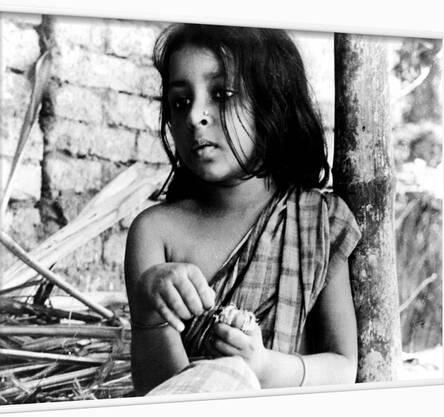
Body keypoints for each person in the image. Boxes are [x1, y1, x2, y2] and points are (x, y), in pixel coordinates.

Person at [124, 23, 362, 396]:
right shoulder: (154, 232)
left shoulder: (319, 221)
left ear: (272, 102)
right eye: (180, 101)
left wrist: (264, 367)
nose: (195, 116)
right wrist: (149, 314)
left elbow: (344, 366)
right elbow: (157, 393)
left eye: (221, 94)